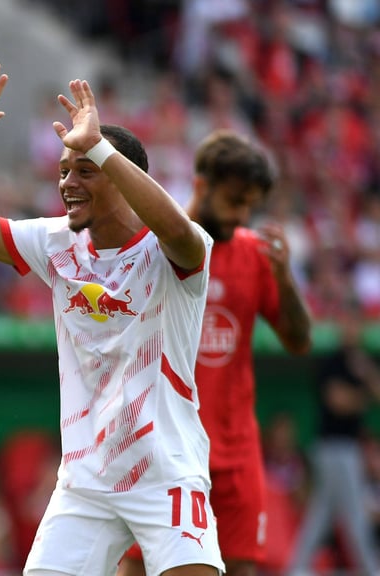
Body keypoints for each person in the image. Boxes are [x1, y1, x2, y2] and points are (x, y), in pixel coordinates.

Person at [0, 62, 221, 576]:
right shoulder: (57, 242)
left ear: (121, 178)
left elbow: (177, 229)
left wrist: (103, 150)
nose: (68, 182)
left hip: (167, 472)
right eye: (64, 170)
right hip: (87, 480)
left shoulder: (176, 249)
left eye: (84, 170)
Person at [118, 131, 313, 576]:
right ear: (202, 185)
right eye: (233, 201)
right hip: (163, 445)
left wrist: (284, 281)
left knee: (240, 566)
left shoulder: (254, 256)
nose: (241, 215)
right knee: (137, 567)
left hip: (236, 447)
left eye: (250, 204)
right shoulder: (153, 245)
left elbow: (298, 341)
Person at [287, 303, 380, 576]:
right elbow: (337, 401)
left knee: (322, 511)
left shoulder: (362, 363)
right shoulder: (331, 362)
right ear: (341, 327)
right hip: (332, 446)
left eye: (356, 324)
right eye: (347, 324)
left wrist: (367, 375)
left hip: (349, 446)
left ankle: (297, 567)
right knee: (353, 511)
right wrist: (363, 398)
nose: (351, 330)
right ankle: (371, 569)